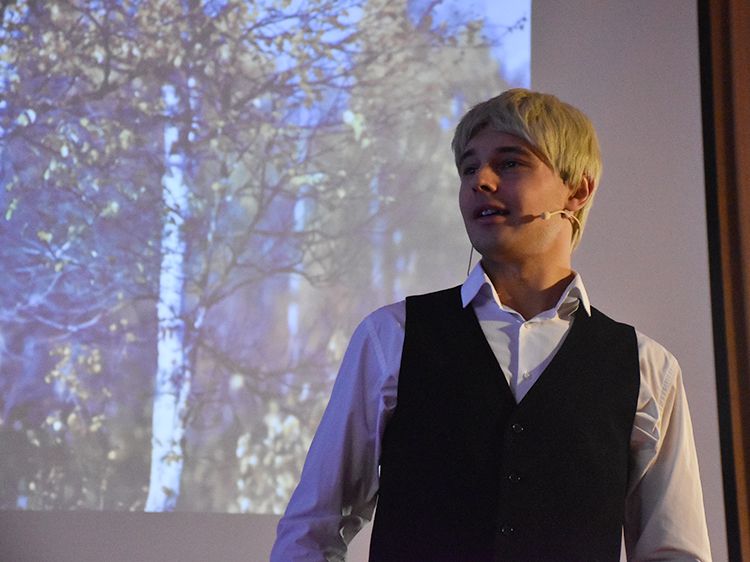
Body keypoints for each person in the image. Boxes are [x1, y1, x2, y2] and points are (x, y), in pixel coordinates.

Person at [270, 89, 711, 561]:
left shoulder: (646, 369)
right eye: (468, 168)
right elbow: (311, 531)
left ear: (577, 190)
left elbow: (675, 552)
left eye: (510, 163)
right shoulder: (392, 337)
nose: (480, 180)